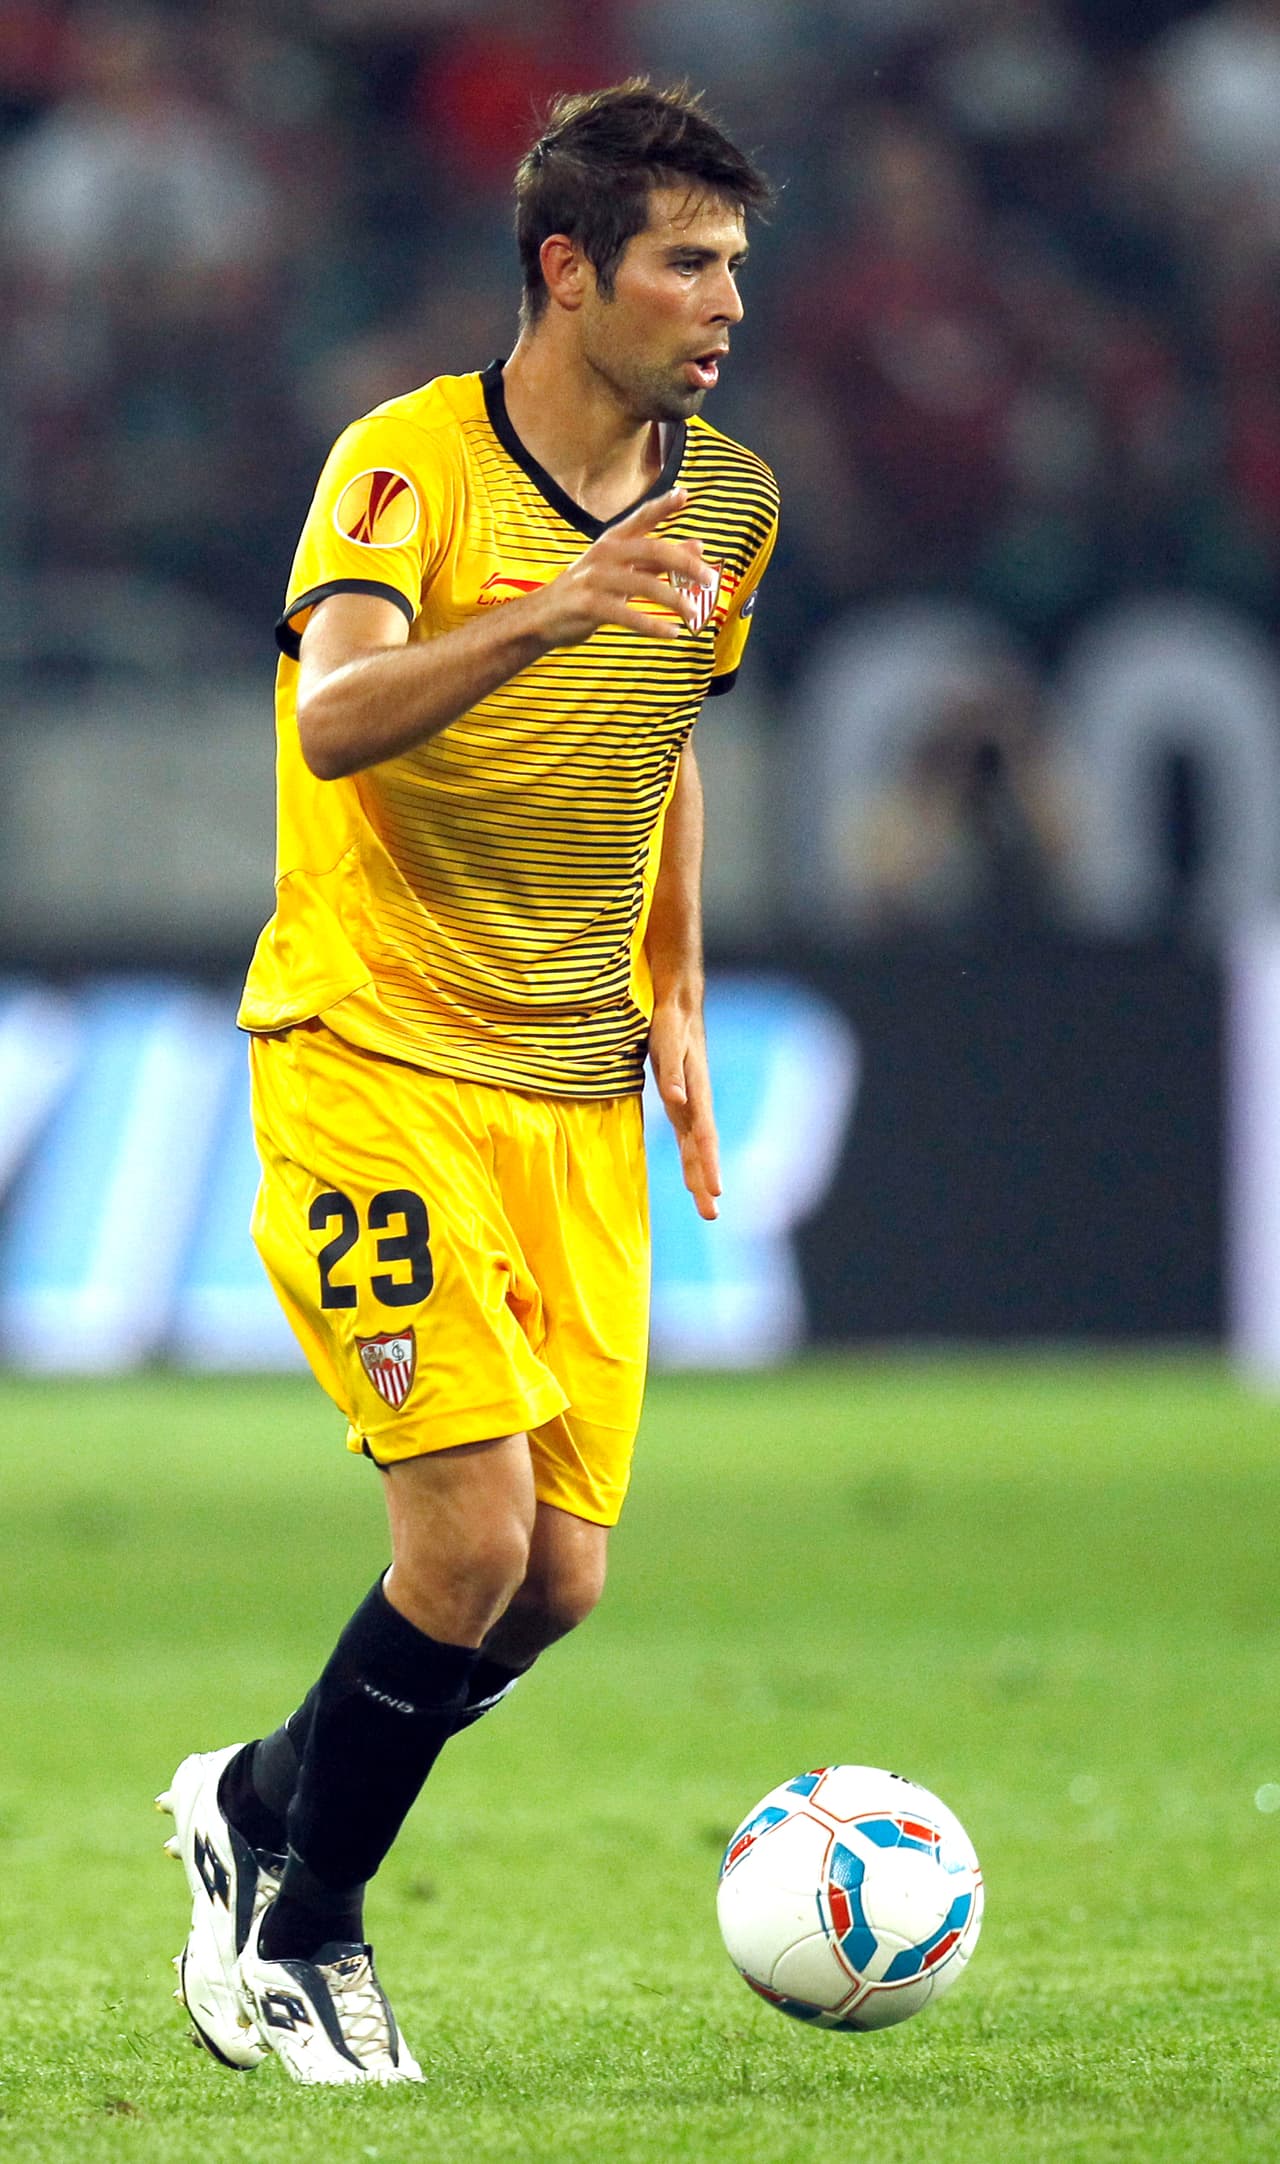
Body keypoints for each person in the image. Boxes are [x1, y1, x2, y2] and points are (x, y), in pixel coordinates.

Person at [156, 79, 778, 2087]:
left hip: (566, 1088)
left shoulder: (729, 503)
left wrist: (675, 978)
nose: (727, 303)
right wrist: (553, 604)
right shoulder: (406, 464)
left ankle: (260, 1796)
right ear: (568, 270)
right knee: (467, 1546)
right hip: (372, 1054)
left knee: (555, 1580)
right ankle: (304, 1929)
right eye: (689, 264)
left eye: (737, 266)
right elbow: (334, 715)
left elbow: (667, 734)